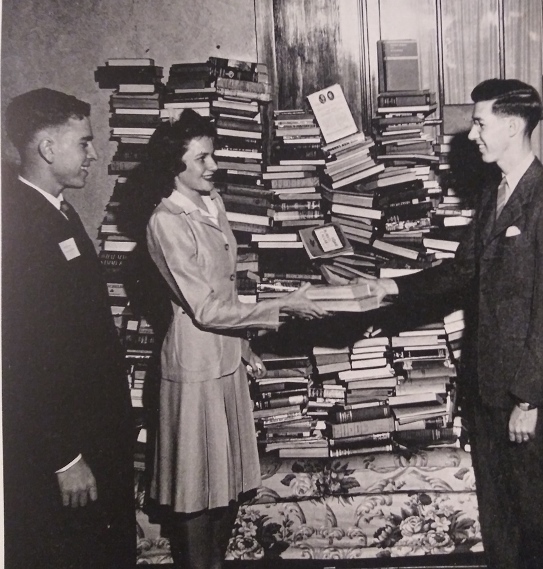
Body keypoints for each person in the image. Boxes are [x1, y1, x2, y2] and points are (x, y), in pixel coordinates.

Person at [356, 78, 543, 569]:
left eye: (480, 124)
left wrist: (529, 399)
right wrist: (390, 287)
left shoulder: (541, 198)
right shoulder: (495, 193)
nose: (472, 135)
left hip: (524, 396)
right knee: (499, 523)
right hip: (486, 387)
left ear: (512, 126)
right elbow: (462, 271)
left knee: (534, 521)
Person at [138, 109, 328, 569]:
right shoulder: (166, 221)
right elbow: (203, 308)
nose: (214, 166)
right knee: (195, 490)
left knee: (227, 483)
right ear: (174, 166)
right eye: (201, 158)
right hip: (194, 367)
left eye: (213, 155)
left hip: (226, 358)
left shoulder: (213, 202)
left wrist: (243, 345)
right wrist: (283, 306)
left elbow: (225, 287)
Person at [2, 88, 136, 569]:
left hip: (93, 433)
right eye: (84, 142)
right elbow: (23, 359)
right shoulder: (18, 225)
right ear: (47, 148)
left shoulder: (58, 210)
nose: (94, 154)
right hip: (65, 450)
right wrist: (64, 457)